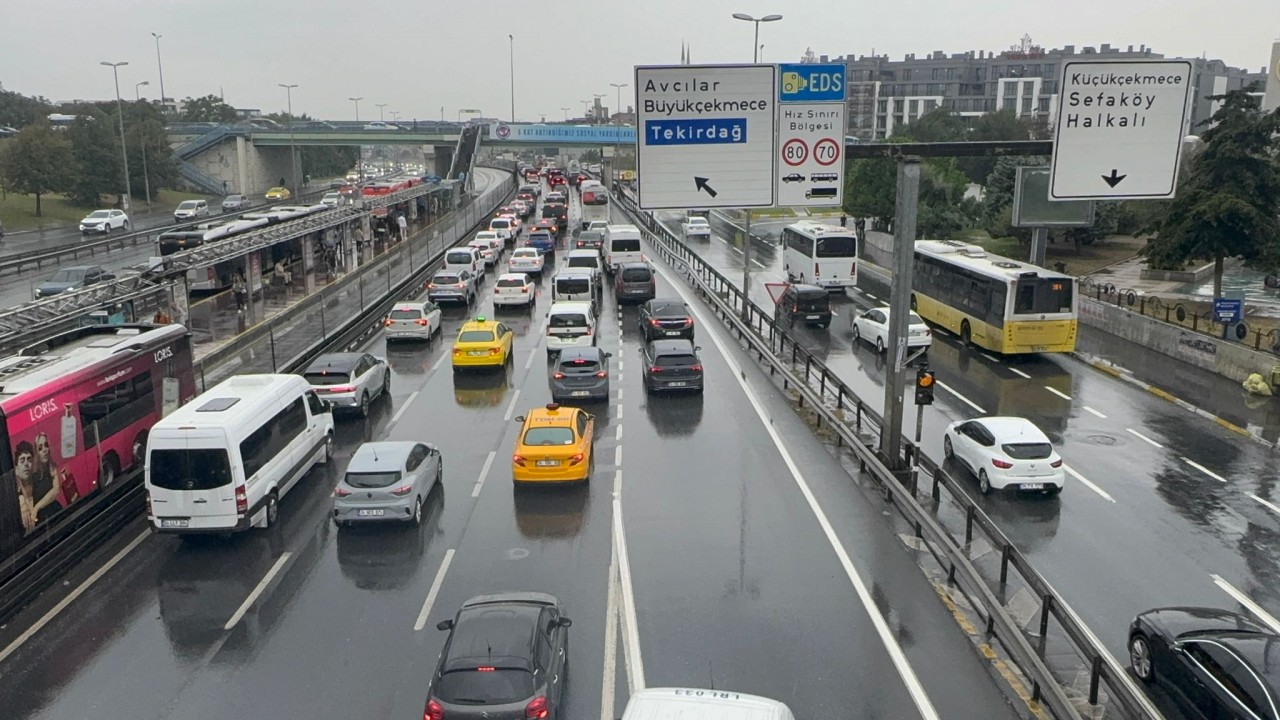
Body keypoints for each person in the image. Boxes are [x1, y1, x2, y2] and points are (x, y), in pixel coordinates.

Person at [14, 441, 37, 533]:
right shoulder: (15, 503)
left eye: (29, 460)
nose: (26, 464)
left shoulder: (42, 492)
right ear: (16, 469)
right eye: (22, 460)